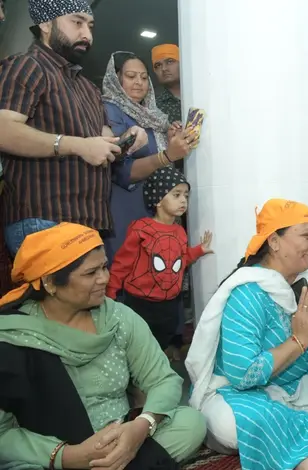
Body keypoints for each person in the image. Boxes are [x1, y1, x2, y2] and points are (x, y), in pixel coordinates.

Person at [186, 199, 308, 469]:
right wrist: (298, 341)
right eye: (307, 235)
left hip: (300, 381)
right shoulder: (247, 292)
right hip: (247, 395)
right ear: (274, 241)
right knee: (227, 424)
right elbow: (243, 374)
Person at [0, 223, 205, 469]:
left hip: (123, 438)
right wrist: (67, 456)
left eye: (104, 267)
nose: (104, 279)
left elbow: (164, 380)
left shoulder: (118, 318)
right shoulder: (13, 336)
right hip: (51, 453)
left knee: (191, 423)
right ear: (50, 283)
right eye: (91, 273)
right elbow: (4, 433)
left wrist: (141, 428)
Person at [0, 0, 148, 255]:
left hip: (88, 221)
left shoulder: (87, 87)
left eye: (90, 26)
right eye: (77, 23)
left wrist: (128, 139)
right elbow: (4, 130)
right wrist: (75, 145)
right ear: (46, 24)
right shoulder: (26, 66)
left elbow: (102, 146)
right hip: (44, 218)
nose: (87, 35)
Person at [102, 51, 196, 262]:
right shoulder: (109, 110)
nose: (139, 82)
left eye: (144, 77)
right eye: (131, 76)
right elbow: (122, 171)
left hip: (155, 211)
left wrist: (169, 139)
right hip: (127, 206)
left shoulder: (153, 116)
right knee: (130, 273)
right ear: (116, 79)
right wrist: (166, 155)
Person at [107, 167, 212, 353]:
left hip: (169, 305)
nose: (183, 200)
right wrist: (110, 292)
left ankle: (156, 373)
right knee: (138, 345)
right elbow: (123, 263)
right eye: (176, 194)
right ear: (157, 200)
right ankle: (140, 378)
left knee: (161, 341)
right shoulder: (141, 229)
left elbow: (179, 261)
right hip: (141, 303)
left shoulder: (180, 232)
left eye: (186, 196)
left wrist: (199, 250)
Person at [151, 44, 182, 124]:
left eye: (170, 61)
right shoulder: (155, 107)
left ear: (182, 64)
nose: (164, 69)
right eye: (158, 65)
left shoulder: (200, 95)